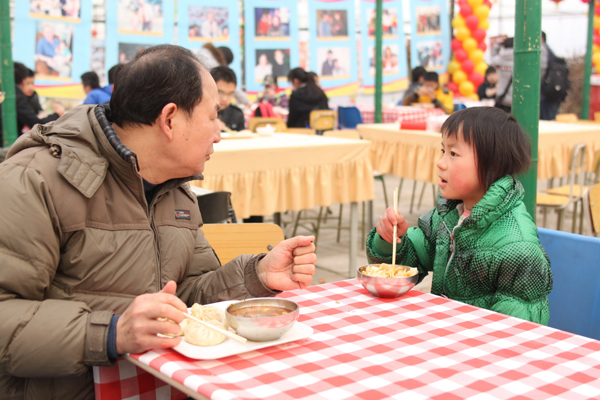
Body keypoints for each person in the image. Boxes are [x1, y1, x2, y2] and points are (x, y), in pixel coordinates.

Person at [0, 45, 316, 399]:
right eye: (212, 117)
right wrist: (112, 333)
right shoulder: (34, 180)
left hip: (161, 385)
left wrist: (256, 276)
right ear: (169, 120)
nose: (219, 133)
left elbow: (187, 297)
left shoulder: (174, 190)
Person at [367, 107, 553, 324]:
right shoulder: (450, 215)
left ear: (492, 164)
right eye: (442, 151)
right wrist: (391, 240)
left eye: (453, 154)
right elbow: (407, 264)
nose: (441, 162)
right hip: (448, 334)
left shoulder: (517, 247)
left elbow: (513, 333)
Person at [13, 62, 65, 135]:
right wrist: (57, 115)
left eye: (33, 83)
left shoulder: (33, 96)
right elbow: (35, 124)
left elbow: (38, 113)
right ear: (22, 81)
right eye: (27, 83)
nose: (31, 87)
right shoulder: (18, 97)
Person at [211, 66, 245, 131]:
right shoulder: (199, 113)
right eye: (220, 92)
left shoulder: (237, 114)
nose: (225, 99)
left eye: (230, 94)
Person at [539, 31, 562, 121]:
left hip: (546, 92)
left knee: (545, 120)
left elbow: (541, 68)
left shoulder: (542, 48)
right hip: (552, 90)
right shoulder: (550, 50)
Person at [492, 37, 514, 113]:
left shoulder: (499, 60)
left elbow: (493, 55)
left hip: (502, 97)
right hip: (517, 100)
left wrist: (498, 43)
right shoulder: (522, 60)